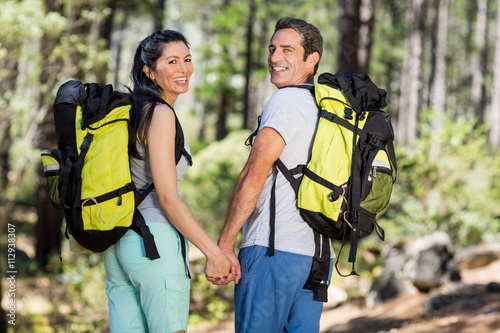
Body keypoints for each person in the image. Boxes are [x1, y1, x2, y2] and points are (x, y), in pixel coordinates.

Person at [103, 30, 233, 333]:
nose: (183, 69)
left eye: (187, 59)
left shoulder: (132, 112)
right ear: (149, 71)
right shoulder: (160, 114)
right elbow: (167, 198)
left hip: (118, 243)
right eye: (171, 61)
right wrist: (213, 253)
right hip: (153, 243)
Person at [215, 17, 331, 332]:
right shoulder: (323, 107)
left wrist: (224, 245)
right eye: (272, 49)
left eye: (287, 50)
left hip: (272, 252)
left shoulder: (286, 100)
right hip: (317, 258)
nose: (275, 58)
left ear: (312, 58)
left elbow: (253, 175)